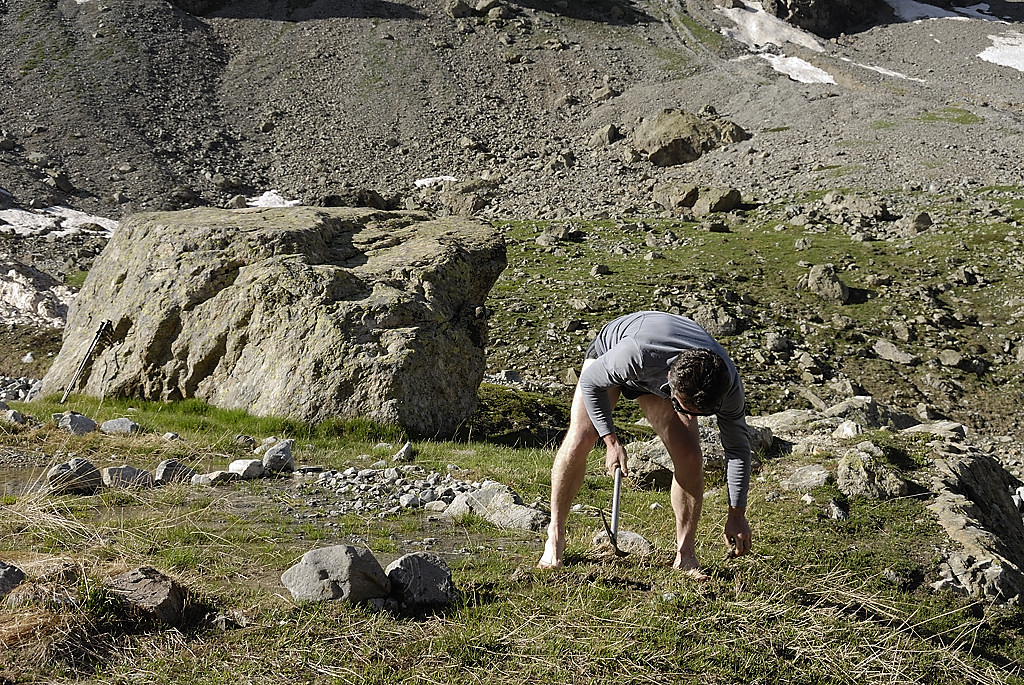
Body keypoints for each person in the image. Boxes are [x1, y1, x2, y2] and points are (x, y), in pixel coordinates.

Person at [537, 311, 752, 577]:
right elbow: (591, 383)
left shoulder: (727, 383)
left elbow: (738, 449)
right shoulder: (635, 355)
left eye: (700, 414)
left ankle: (686, 556)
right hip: (615, 349)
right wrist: (611, 441)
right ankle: (555, 536)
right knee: (582, 437)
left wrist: (737, 513)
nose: (691, 418)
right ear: (670, 386)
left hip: (666, 366)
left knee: (690, 456)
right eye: (682, 408)